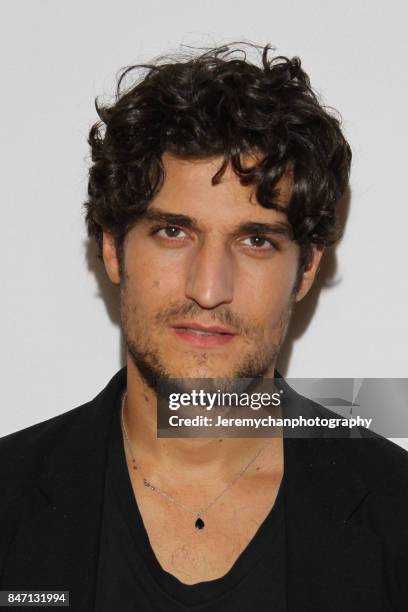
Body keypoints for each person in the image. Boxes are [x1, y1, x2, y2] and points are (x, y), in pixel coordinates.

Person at [1, 43, 407, 612]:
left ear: (306, 269)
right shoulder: (9, 496)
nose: (209, 288)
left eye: (256, 240)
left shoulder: (396, 513)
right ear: (113, 249)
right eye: (173, 232)